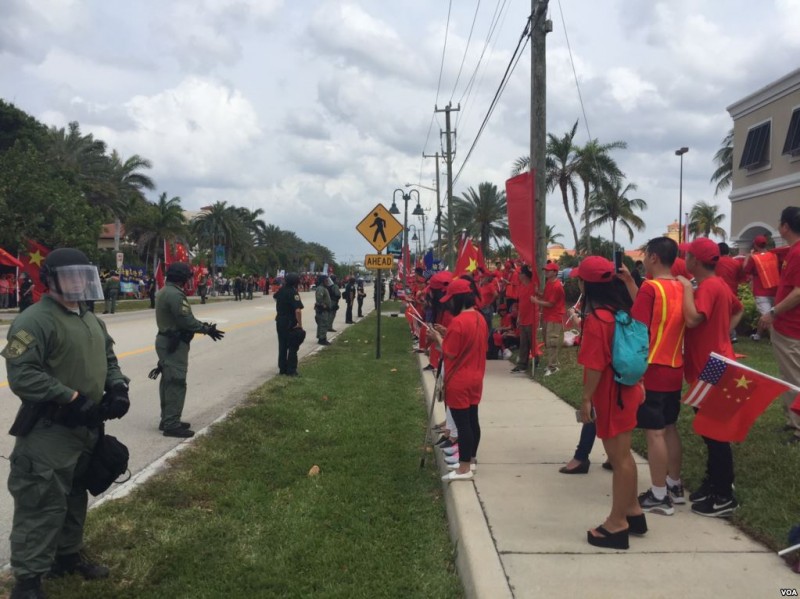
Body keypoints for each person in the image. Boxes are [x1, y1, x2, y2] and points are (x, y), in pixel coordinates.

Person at [2, 248, 131, 598]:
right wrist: (71, 398)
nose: (78, 282)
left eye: (82, 275)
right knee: (41, 502)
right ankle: (28, 581)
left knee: (75, 496)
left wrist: (117, 386)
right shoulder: (35, 320)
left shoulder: (90, 318)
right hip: (50, 431)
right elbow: (23, 375)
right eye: (70, 275)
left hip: (86, 429)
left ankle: (67, 557)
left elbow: (108, 357)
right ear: (50, 280)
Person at [571, 256, 645, 549]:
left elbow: (594, 367)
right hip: (627, 390)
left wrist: (586, 399)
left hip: (611, 395)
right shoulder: (623, 312)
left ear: (587, 284)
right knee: (624, 456)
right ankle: (633, 511)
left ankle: (617, 524)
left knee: (619, 458)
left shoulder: (597, 320)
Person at [677, 237, 743, 517]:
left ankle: (724, 496)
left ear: (694, 260)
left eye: (688, 255)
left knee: (715, 433)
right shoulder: (719, 285)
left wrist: (685, 289)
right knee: (709, 430)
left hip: (711, 367)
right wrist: (722, 333)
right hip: (715, 362)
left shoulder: (708, 286)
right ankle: (714, 481)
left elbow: (692, 319)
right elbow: (738, 309)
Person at [631, 237, 687, 516]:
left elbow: (638, 329)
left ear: (653, 257)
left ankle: (658, 494)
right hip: (675, 366)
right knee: (670, 426)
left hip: (652, 367)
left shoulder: (650, 288)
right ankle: (674, 485)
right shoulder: (681, 286)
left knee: (655, 432)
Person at [154, 262, 225, 438]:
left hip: (167, 341)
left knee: (168, 380)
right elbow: (186, 321)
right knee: (176, 381)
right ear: (182, 278)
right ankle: (171, 424)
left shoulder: (164, 291)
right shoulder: (175, 295)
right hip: (174, 343)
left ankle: (167, 419)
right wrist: (206, 329)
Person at [427, 278, 488, 482]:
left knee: (463, 425)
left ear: (458, 299)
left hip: (459, 379)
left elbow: (450, 352)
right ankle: (471, 460)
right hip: (476, 377)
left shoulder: (458, 322)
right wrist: (446, 334)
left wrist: (437, 337)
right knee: (473, 420)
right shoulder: (479, 318)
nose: (448, 304)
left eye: (450, 300)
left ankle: (463, 468)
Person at [759, 207, 800, 443]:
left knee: (793, 377)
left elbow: (797, 293)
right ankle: (791, 420)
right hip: (788, 325)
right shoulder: (792, 251)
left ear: (785, 226)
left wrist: (772, 312)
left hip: (790, 326)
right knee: (789, 374)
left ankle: (798, 427)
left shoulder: (797, 253)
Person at [743, 235, 779, 341]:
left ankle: (776, 341)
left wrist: (747, 257)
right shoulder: (774, 255)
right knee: (767, 314)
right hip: (775, 290)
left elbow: (745, 270)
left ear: (755, 245)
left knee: (767, 316)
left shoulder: (754, 258)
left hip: (761, 292)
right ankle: (757, 335)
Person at [534, 262, 566, 376]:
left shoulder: (557, 286)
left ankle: (553, 367)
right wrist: (538, 293)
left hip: (554, 316)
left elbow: (551, 303)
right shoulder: (549, 283)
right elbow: (546, 297)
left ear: (555, 272)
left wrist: (537, 301)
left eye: (549, 270)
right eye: (546, 270)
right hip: (547, 316)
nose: (546, 272)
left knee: (552, 341)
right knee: (547, 341)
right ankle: (552, 363)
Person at [274, 272, 304, 376]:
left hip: (280, 320)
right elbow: (298, 310)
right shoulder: (293, 292)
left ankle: (282, 369)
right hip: (289, 322)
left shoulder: (281, 290)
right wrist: (300, 324)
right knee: (292, 346)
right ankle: (291, 370)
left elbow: (275, 297)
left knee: (282, 345)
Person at [511, 265, 536, 374]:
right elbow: (521, 303)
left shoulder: (533, 286)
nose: (518, 275)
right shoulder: (521, 287)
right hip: (523, 318)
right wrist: (519, 317)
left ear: (524, 274)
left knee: (532, 341)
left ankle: (536, 360)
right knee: (523, 342)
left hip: (532, 318)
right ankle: (522, 364)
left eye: (520, 273)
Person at [315, 275, 332, 345]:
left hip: (325, 310)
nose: (327, 281)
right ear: (322, 281)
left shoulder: (324, 288)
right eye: (326, 280)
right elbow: (319, 298)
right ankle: (322, 339)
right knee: (323, 324)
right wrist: (323, 305)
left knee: (322, 324)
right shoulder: (321, 288)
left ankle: (321, 337)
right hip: (322, 310)